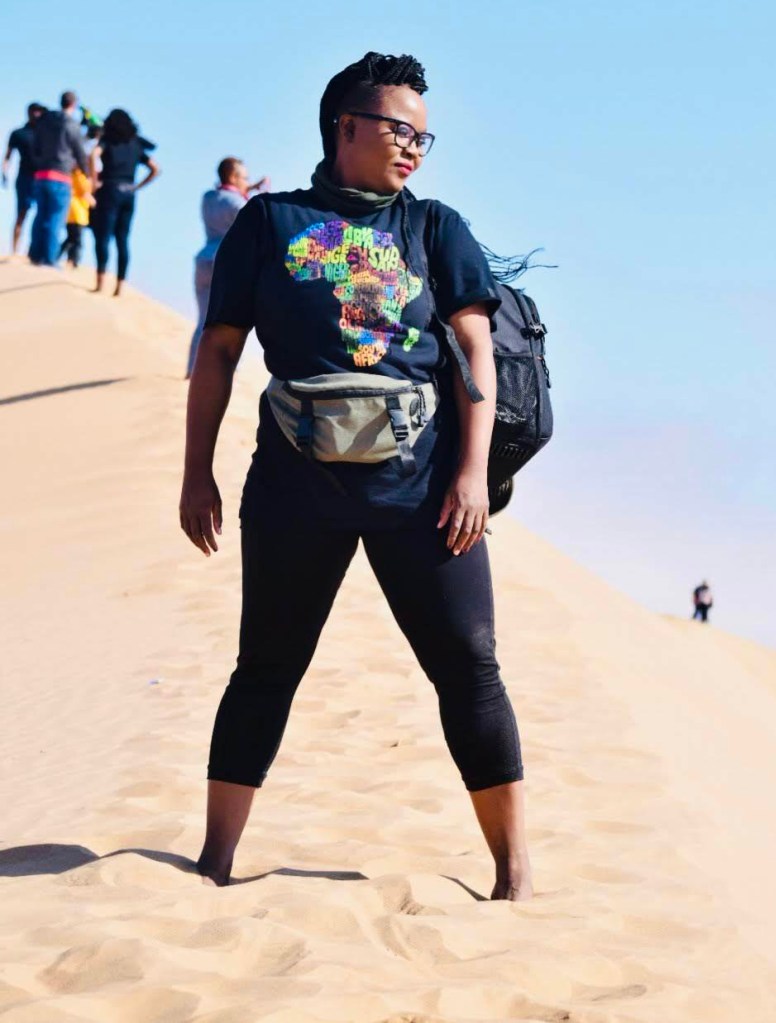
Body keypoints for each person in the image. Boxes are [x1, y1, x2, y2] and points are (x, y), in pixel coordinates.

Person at [180, 52, 532, 900]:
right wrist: (196, 472)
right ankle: (213, 860)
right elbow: (219, 349)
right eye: (398, 129)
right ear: (344, 126)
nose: (413, 147)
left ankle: (514, 872)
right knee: (265, 665)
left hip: (422, 489)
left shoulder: (435, 228)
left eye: (422, 136)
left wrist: (472, 473)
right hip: (293, 487)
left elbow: (475, 351)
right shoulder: (269, 223)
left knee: (468, 664)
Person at [187, 157, 270, 379]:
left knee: (203, 321)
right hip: (227, 263)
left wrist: (249, 188)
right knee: (233, 324)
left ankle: (192, 371)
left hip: (204, 259)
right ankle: (229, 374)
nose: (248, 182)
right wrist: (261, 194)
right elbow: (255, 219)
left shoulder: (209, 197)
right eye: (245, 178)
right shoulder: (239, 205)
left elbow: (227, 194)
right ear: (233, 177)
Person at [89, 108, 160, 296]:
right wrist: (138, 186)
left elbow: (93, 155)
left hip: (109, 190)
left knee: (103, 237)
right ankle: (119, 287)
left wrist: (94, 182)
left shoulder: (108, 140)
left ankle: (100, 282)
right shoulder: (135, 143)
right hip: (129, 193)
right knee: (122, 239)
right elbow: (155, 168)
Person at [28, 91, 88, 266]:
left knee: (40, 216)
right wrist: (86, 173)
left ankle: (34, 255)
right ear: (74, 104)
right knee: (55, 219)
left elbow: (35, 147)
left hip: (41, 175)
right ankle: (49, 259)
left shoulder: (44, 121)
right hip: (61, 177)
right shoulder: (72, 125)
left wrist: (39, 163)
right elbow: (80, 153)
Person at [2, 102, 46, 254]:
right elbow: (8, 155)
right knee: (22, 213)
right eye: (34, 111)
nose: (36, 114)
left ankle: (34, 251)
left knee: (42, 216)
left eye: (39, 111)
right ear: (28, 112)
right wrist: (4, 171)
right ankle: (15, 251)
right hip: (24, 178)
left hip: (42, 178)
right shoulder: (19, 133)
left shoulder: (45, 134)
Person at [58, 166, 93, 268]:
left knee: (71, 238)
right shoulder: (79, 175)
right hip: (77, 213)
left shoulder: (72, 174)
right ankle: (74, 261)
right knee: (77, 240)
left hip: (72, 212)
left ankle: (61, 256)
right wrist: (94, 202)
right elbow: (84, 192)